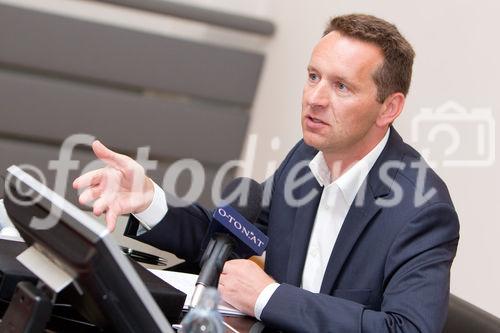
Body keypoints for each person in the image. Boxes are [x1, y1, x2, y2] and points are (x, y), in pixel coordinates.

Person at [73, 14, 459, 333]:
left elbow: (407, 329)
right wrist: (149, 200)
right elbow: (231, 237)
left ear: (389, 108)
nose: (315, 99)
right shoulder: (306, 157)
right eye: (313, 76)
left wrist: (268, 297)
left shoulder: (421, 210)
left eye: (341, 86)